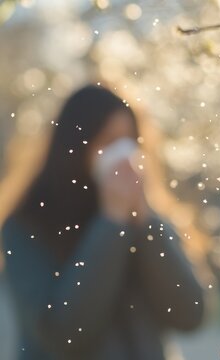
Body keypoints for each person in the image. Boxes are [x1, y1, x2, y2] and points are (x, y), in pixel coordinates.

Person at [1, 85, 206, 360]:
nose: (123, 154)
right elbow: (63, 335)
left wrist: (145, 222)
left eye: (130, 140)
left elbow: (190, 315)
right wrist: (111, 224)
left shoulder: (146, 222)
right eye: (108, 141)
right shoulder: (26, 226)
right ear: (74, 148)